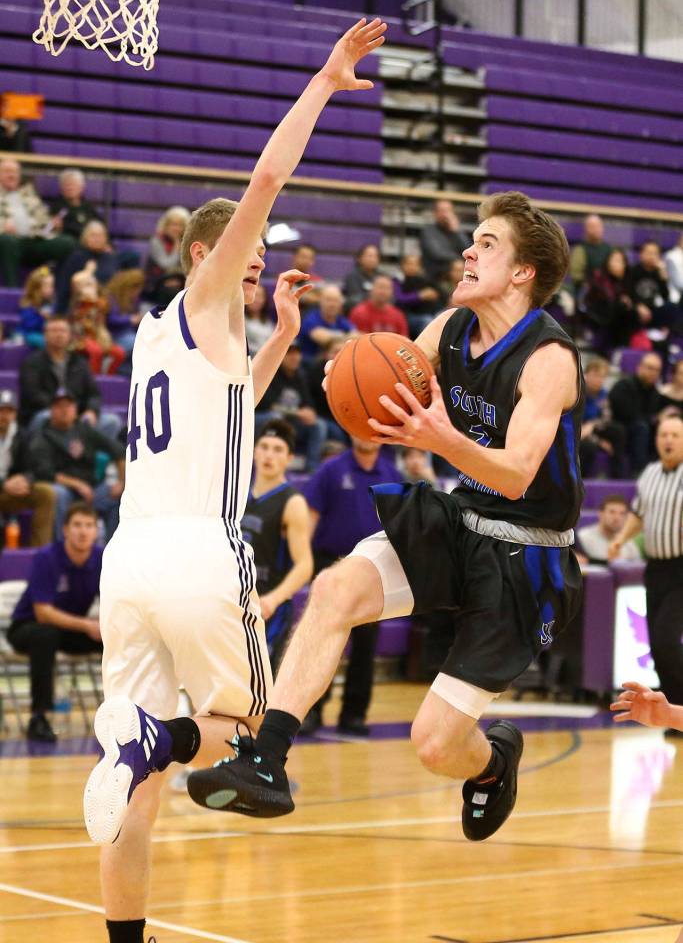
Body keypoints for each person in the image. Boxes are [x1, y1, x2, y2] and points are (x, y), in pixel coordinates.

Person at [80, 16, 386, 943]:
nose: (258, 275)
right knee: (252, 730)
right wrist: (325, 83)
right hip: (199, 553)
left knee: (134, 794)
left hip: (131, 559)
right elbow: (264, 179)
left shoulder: (157, 336)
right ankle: (158, 741)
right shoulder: (210, 287)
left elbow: (229, 404)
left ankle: (125, 921)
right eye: (251, 264)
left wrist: (286, 338)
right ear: (209, 258)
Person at [188, 190, 585, 844]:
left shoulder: (548, 359)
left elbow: (515, 473)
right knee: (335, 586)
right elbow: (390, 374)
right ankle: (267, 759)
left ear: (522, 273)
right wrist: (345, 370)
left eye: (487, 244)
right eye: (472, 238)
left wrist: (439, 441)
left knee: (433, 745)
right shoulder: (451, 328)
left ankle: (492, 763)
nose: (467, 248)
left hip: (528, 554)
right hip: (462, 517)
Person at [298, 436, 401, 736]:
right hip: (331, 564)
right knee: (323, 643)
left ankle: (354, 715)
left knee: (365, 648)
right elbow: (310, 520)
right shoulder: (331, 471)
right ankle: (311, 711)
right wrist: (301, 563)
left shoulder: (391, 475)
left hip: (374, 569)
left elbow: (399, 525)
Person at [608, 413, 683, 737]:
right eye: (664, 434)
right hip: (656, 569)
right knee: (656, 643)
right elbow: (638, 514)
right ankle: (673, 714)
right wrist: (621, 538)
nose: (668, 440)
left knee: (667, 639)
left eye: (676, 435)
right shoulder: (650, 473)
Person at [6, 503, 103, 743]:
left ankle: (127, 713)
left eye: (89, 525)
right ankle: (39, 718)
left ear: (96, 531)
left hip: (68, 630)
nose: (83, 531)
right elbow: (43, 613)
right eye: (77, 525)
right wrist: (87, 625)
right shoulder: (47, 557)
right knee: (45, 634)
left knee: (117, 638)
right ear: (65, 530)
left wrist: (105, 625)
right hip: (27, 628)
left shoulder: (103, 558)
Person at [241, 419, 313, 671]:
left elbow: (305, 565)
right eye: (264, 446)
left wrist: (273, 600)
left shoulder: (292, 502)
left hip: (268, 610)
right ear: (253, 452)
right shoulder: (236, 496)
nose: (269, 455)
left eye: (278, 449)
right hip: (231, 604)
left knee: (261, 691)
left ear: (289, 458)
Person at [27, 387, 125, 541]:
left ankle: (111, 547)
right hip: (65, 489)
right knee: (57, 494)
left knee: (118, 496)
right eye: (59, 406)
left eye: (69, 406)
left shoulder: (83, 429)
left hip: (93, 490)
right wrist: (77, 484)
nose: (64, 410)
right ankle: (63, 547)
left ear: (75, 409)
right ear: (51, 409)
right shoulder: (43, 435)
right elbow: (43, 472)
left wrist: (121, 481)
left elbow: (118, 450)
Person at [19, 314, 121, 440]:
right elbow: (33, 395)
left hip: (77, 416)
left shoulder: (80, 363)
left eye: (63, 331)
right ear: (45, 335)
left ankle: (92, 458)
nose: (59, 335)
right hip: (47, 414)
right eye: (54, 331)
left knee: (111, 421)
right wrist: (62, 410)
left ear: (69, 335)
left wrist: (91, 411)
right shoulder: (32, 363)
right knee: (43, 417)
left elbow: (94, 394)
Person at [0, 157, 75, 286]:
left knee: (67, 243)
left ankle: (60, 289)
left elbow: (43, 219)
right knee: (7, 240)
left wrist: (52, 224)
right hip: (9, 242)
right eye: (7, 171)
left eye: (14, 172)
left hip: (34, 239)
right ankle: (12, 291)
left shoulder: (29, 193)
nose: (11, 175)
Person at [255, 340, 327, 471]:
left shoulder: (300, 376)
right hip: (263, 420)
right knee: (275, 417)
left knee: (319, 425)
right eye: (289, 353)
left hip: (290, 422)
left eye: (297, 353)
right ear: (281, 355)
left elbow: (308, 402)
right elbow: (268, 404)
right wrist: (298, 413)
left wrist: (309, 412)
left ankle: (311, 469)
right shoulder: (270, 372)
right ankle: (269, 464)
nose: (294, 357)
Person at [0, 388, 55, 545]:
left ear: (15, 414)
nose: (4, 415)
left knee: (46, 493)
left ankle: (39, 550)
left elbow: (35, 468)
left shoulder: (23, 435)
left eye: (9, 411)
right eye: (1, 410)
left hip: (12, 492)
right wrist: (4, 483)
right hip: (5, 487)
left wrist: (25, 479)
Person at [55, 220, 139, 313]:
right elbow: (64, 288)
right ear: (85, 237)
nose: (97, 239)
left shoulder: (111, 258)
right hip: (81, 307)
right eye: (93, 235)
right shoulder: (75, 258)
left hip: (108, 309)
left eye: (100, 236)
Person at [608, 352, 665, 474]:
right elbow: (626, 414)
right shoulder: (623, 385)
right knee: (641, 427)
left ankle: (662, 470)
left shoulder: (655, 393)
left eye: (657, 370)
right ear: (639, 367)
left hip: (644, 431)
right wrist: (652, 418)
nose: (653, 373)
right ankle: (639, 472)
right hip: (622, 428)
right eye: (650, 368)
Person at [69, 266, 126, 375]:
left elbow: (102, 316)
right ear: (77, 288)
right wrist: (88, 301)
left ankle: (107, 379)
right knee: (96, 351)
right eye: (87, 285)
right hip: (78, 338)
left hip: (96, 336)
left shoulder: (99, 303)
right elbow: (78, 324)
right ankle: (94, 380)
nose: (91, 288)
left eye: (93, 284)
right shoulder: (75, 304)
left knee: (119, 353)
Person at [579, 357, 627, 478]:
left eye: (602, 376)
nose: (598, 380)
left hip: (593, 428)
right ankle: (580, 480)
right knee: (588, 447)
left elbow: (606, 418)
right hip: (578, 431)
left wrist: (593, 424)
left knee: (618, 430)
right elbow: (577, 426)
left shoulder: (604, 394)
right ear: (586, 374)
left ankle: (617, 476)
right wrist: (600, 442)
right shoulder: (578, 393)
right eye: (595, 375)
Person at [574, 494, 640, 566]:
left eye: (622, 513)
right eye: (612, 512)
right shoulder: (582, 538)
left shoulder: (629, 543)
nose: (617, 517)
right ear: (601, 514)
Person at [300, 283, 355, 361]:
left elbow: (356, 336)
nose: (332, 304)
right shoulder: (311, 318)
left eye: (336, 301)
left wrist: (336, 337)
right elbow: (325, 339)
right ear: (320, 301)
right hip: (310, 364)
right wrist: (346, 336)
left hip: (334, 362)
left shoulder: (340, 320)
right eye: (328, 300)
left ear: (341, 304)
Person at [143, 205, 189, 295]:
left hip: (180, 282)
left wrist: (178, 279)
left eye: (180, 225)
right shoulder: (156, 241)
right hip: (157, 284)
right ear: (165, 225)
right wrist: (176, 245)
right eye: (173, 224)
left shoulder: (188, 243)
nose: (176, 228)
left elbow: (188, 268)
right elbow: (166, 264)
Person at [392, 253, 441, 337]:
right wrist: (420, 296)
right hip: (403, 315)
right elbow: (399, 299)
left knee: (441, 317)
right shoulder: (397, 280)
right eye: (409, 263)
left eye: (416, 264)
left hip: (424, 312)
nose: (412, 267)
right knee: (426, 321)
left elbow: (437, 294)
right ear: (402, 265)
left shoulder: (423, 280)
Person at [419, 199, 468, 281]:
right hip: (436, 277)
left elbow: (468, 249)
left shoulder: (457, 231)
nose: (446, 214)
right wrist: (459, 259)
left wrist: (457, 232)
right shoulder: (428, 231)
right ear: (435, 213)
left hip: (458, 278)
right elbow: (438, 254)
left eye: (448, 211)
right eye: (442, 211)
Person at [49, 168, 104, 241]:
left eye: (73, 184)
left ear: (81, 187)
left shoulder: (88, 206)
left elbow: (101, 225)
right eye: (66, 185)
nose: (70, 188)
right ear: (61, 188)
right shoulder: (56, 207)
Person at [569, 213, 611, 290]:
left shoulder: (609, 249)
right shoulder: (580, 249)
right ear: (586, 229)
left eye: (599, 226)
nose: (596, 229)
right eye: (592, 226)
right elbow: (576, 276)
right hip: (587, 292)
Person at [18, 265, 55, 348]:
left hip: (47, 333)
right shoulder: (27, 304)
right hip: (30, 334)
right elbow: (28, 325)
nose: (52, 289)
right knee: (46, 341)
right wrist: (41, 317)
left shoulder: (52, 303)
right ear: (36, 288)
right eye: (48, 286)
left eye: (52, 285)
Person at [342, 243, 382, 310]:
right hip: (358, 313)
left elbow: (390, 298)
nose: (372, 259)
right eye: (370, 256)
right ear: (359, 258)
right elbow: (355, 300)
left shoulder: (382, 277)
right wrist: (376, 296)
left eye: (375, 256)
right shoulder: (352, 276)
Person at [245, 282, 275, 355]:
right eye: (254, 295)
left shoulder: (269, 322)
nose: (256, 300)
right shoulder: (239, 321)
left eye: (260, 296)